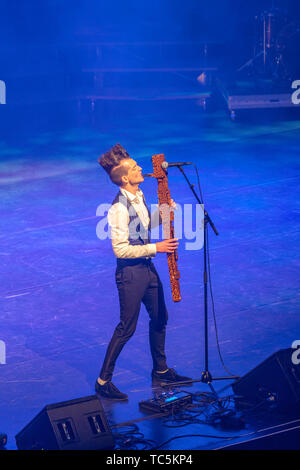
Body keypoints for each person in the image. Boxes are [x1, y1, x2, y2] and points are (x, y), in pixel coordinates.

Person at [96, 143, 191, 399]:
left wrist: (167, 210)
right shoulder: (117, 208)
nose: (141, 168)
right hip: (130, 275)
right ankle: (103, 381)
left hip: (147, 268)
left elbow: (145, 225)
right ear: (125, 178)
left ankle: (160, 370)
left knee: (160, 317)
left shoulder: (138, 198)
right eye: (135, 167)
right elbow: (121, 250)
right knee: (126, 327)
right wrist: (156, 247)